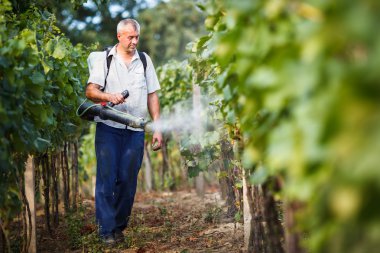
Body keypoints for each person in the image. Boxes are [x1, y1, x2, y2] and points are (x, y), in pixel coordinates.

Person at [85, 18, 163, 245]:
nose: (134, 41)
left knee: (128, 182)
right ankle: (106, 232)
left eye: (137, 37)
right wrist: (109, 96)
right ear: (119, 36)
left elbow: (152, 95)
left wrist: (156, 127)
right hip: (109, 129)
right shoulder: (105, 60)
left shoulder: (145, 61)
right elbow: (90, 91)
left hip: (135, 131)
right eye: (130, 37)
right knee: (106, 180)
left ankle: (118, 226)